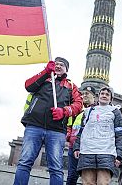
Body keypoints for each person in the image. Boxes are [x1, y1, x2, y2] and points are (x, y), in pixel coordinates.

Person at [13, 57, 83, 185]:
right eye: (56, 64)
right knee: (24, 162)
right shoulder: (44, 78)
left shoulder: (71, 86)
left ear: (66, 69)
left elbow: (79, 104)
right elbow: (28, 85)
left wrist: (65, 111)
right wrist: (45, 71)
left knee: (56, 167)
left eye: (62, 65)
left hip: (57, 130)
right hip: (34, 125)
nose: (58, 66)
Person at [73, 86, 122, 185]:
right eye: (102, 93)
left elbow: (119, 135)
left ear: (111, 99)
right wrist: (76, 147)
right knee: (87, 183)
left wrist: (119, 155)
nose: (104, 96)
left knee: (103, 183)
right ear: (98, 96)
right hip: (87, 151)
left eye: (107, 94)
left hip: (106, 152)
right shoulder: (88, 111)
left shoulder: (115, 112)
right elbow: (81, 131)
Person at [66, 86, 97, 185]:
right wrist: (68, 136)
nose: (84, 96)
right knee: (72, 176)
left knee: (88, 178)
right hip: (74, 146)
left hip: (89, 148)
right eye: (82, 94)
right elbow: (69, 124)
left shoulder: (97, 110)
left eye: (87, 94)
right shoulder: (77, 109)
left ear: (94, 97)